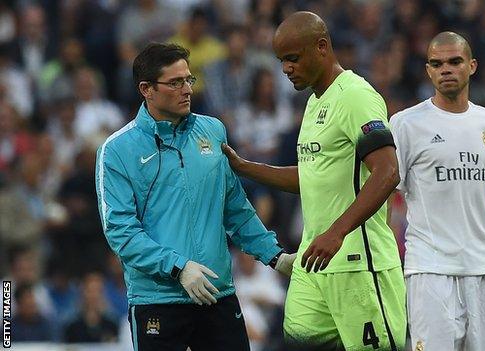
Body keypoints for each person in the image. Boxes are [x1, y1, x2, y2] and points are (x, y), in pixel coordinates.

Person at [222, 11, 406, 351]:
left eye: (292, 58)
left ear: (321, 47)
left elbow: (387, 171)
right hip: (314, 263)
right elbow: (312, 177)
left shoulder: (355, 96)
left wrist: (336, 232)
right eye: (281, 61)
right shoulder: (313, 103)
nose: (285, 69)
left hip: (358, 265)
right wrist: (245, 167)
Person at [95, 43, 295, 351]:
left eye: (189, 79)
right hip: (157, 300)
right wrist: (178, 267)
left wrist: (274, 255)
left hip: (218, 294)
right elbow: (121, 232)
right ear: (146, 89)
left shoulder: (213, 131)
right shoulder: (118, 149)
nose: (186, 89)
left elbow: (234, 207)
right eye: (175, 82)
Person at [389, 31, 485, 350]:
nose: (446, 69)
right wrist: (387, 265)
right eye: (437, 63)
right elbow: (388, 199)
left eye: (454, 61)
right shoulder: (405, 124)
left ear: (471, 66)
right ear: (428, 70)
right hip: (430, 269)